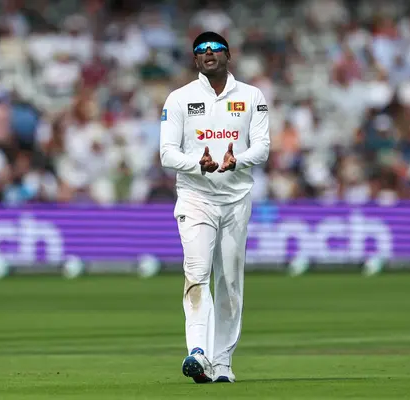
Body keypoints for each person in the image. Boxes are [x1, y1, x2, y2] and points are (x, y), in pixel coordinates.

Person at [159, 31, 270, 383]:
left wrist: (235, 162)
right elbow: (166, 153)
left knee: (230, 284)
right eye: (201, 51)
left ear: (228, 55)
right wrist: (198, 165)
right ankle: (198, 353)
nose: (208, 54)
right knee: (197, 274)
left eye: (215, 49)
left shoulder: (252, 96)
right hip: (196, 197)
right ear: (195, 60)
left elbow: (262, 147)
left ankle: (222, 362)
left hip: (236, 199)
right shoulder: (179, 98)